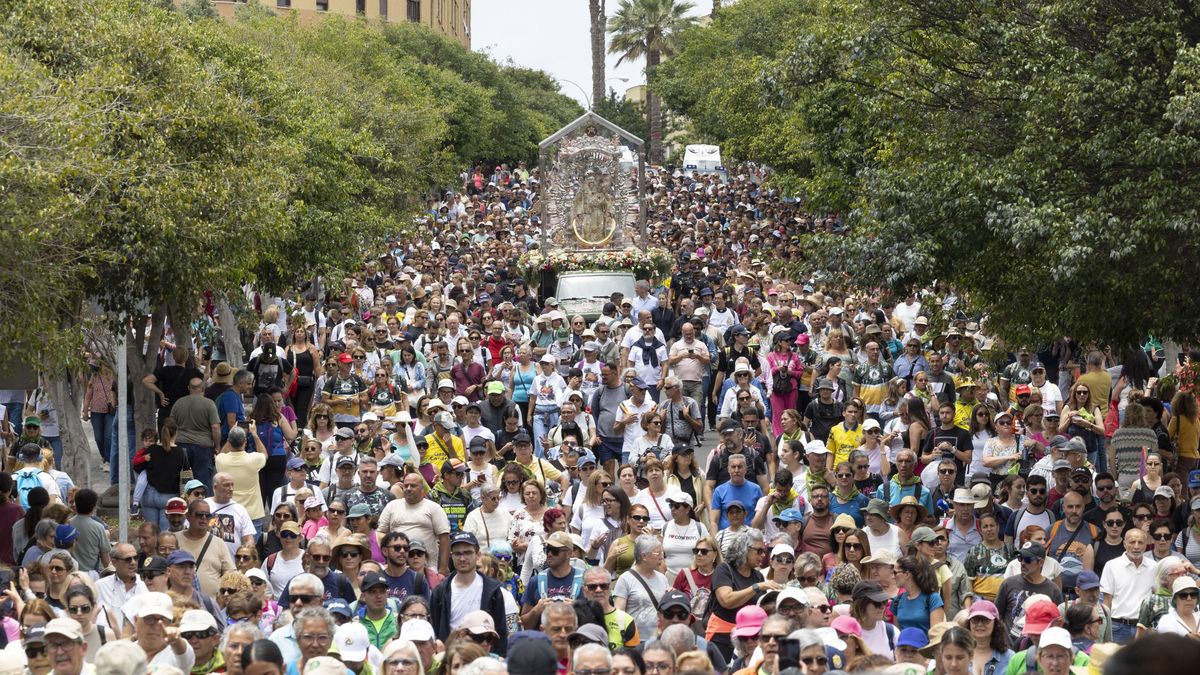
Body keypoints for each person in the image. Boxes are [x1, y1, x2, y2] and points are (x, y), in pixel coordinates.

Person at [707, 530, 771, 661]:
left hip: (749, 639)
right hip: (722, 637)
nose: (763, 555)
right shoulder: (724, 569)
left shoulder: (757, 576)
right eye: (758, 551)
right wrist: (755, 587)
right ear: (744, 549)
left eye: (764, 551)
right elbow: (726, 600)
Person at [1099, 526, 1156, 643]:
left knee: (1143, 661)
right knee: (1116, 661)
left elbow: (1156, 597)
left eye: (1140, 542)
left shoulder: (1154, 567)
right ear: (1125, 544)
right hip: (1117, 627)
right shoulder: (1112, 566)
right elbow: (1107, 602)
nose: (1136, 546)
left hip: (1144, 628)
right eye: (1132, 542)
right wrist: (1104, 630)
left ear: (1146, 545)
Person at [613, 534, 669, 642]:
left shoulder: (662, 578)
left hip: (658, 639)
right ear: (644, 556)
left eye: (662, 553)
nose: (661, 557)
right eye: (658, 553)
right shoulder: (625, 579)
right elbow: (619, 613)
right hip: (635, 640)